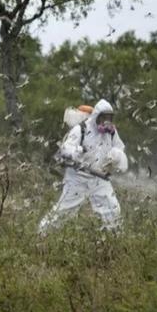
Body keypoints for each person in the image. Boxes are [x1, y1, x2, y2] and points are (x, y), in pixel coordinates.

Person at [38, 99, 128, 235]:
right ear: (96, 116)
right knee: (63, 212)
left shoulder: (112, 133)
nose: (106, 121)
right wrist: (76, 152)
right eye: (103, 118)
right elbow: (65, 149)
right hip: (77, 179)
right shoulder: (81, 129)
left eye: (109, 118)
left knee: (112, 211)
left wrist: (117, 157)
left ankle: (115, 245)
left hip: (99, 179)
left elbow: (120, 149)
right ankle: (41, 236)